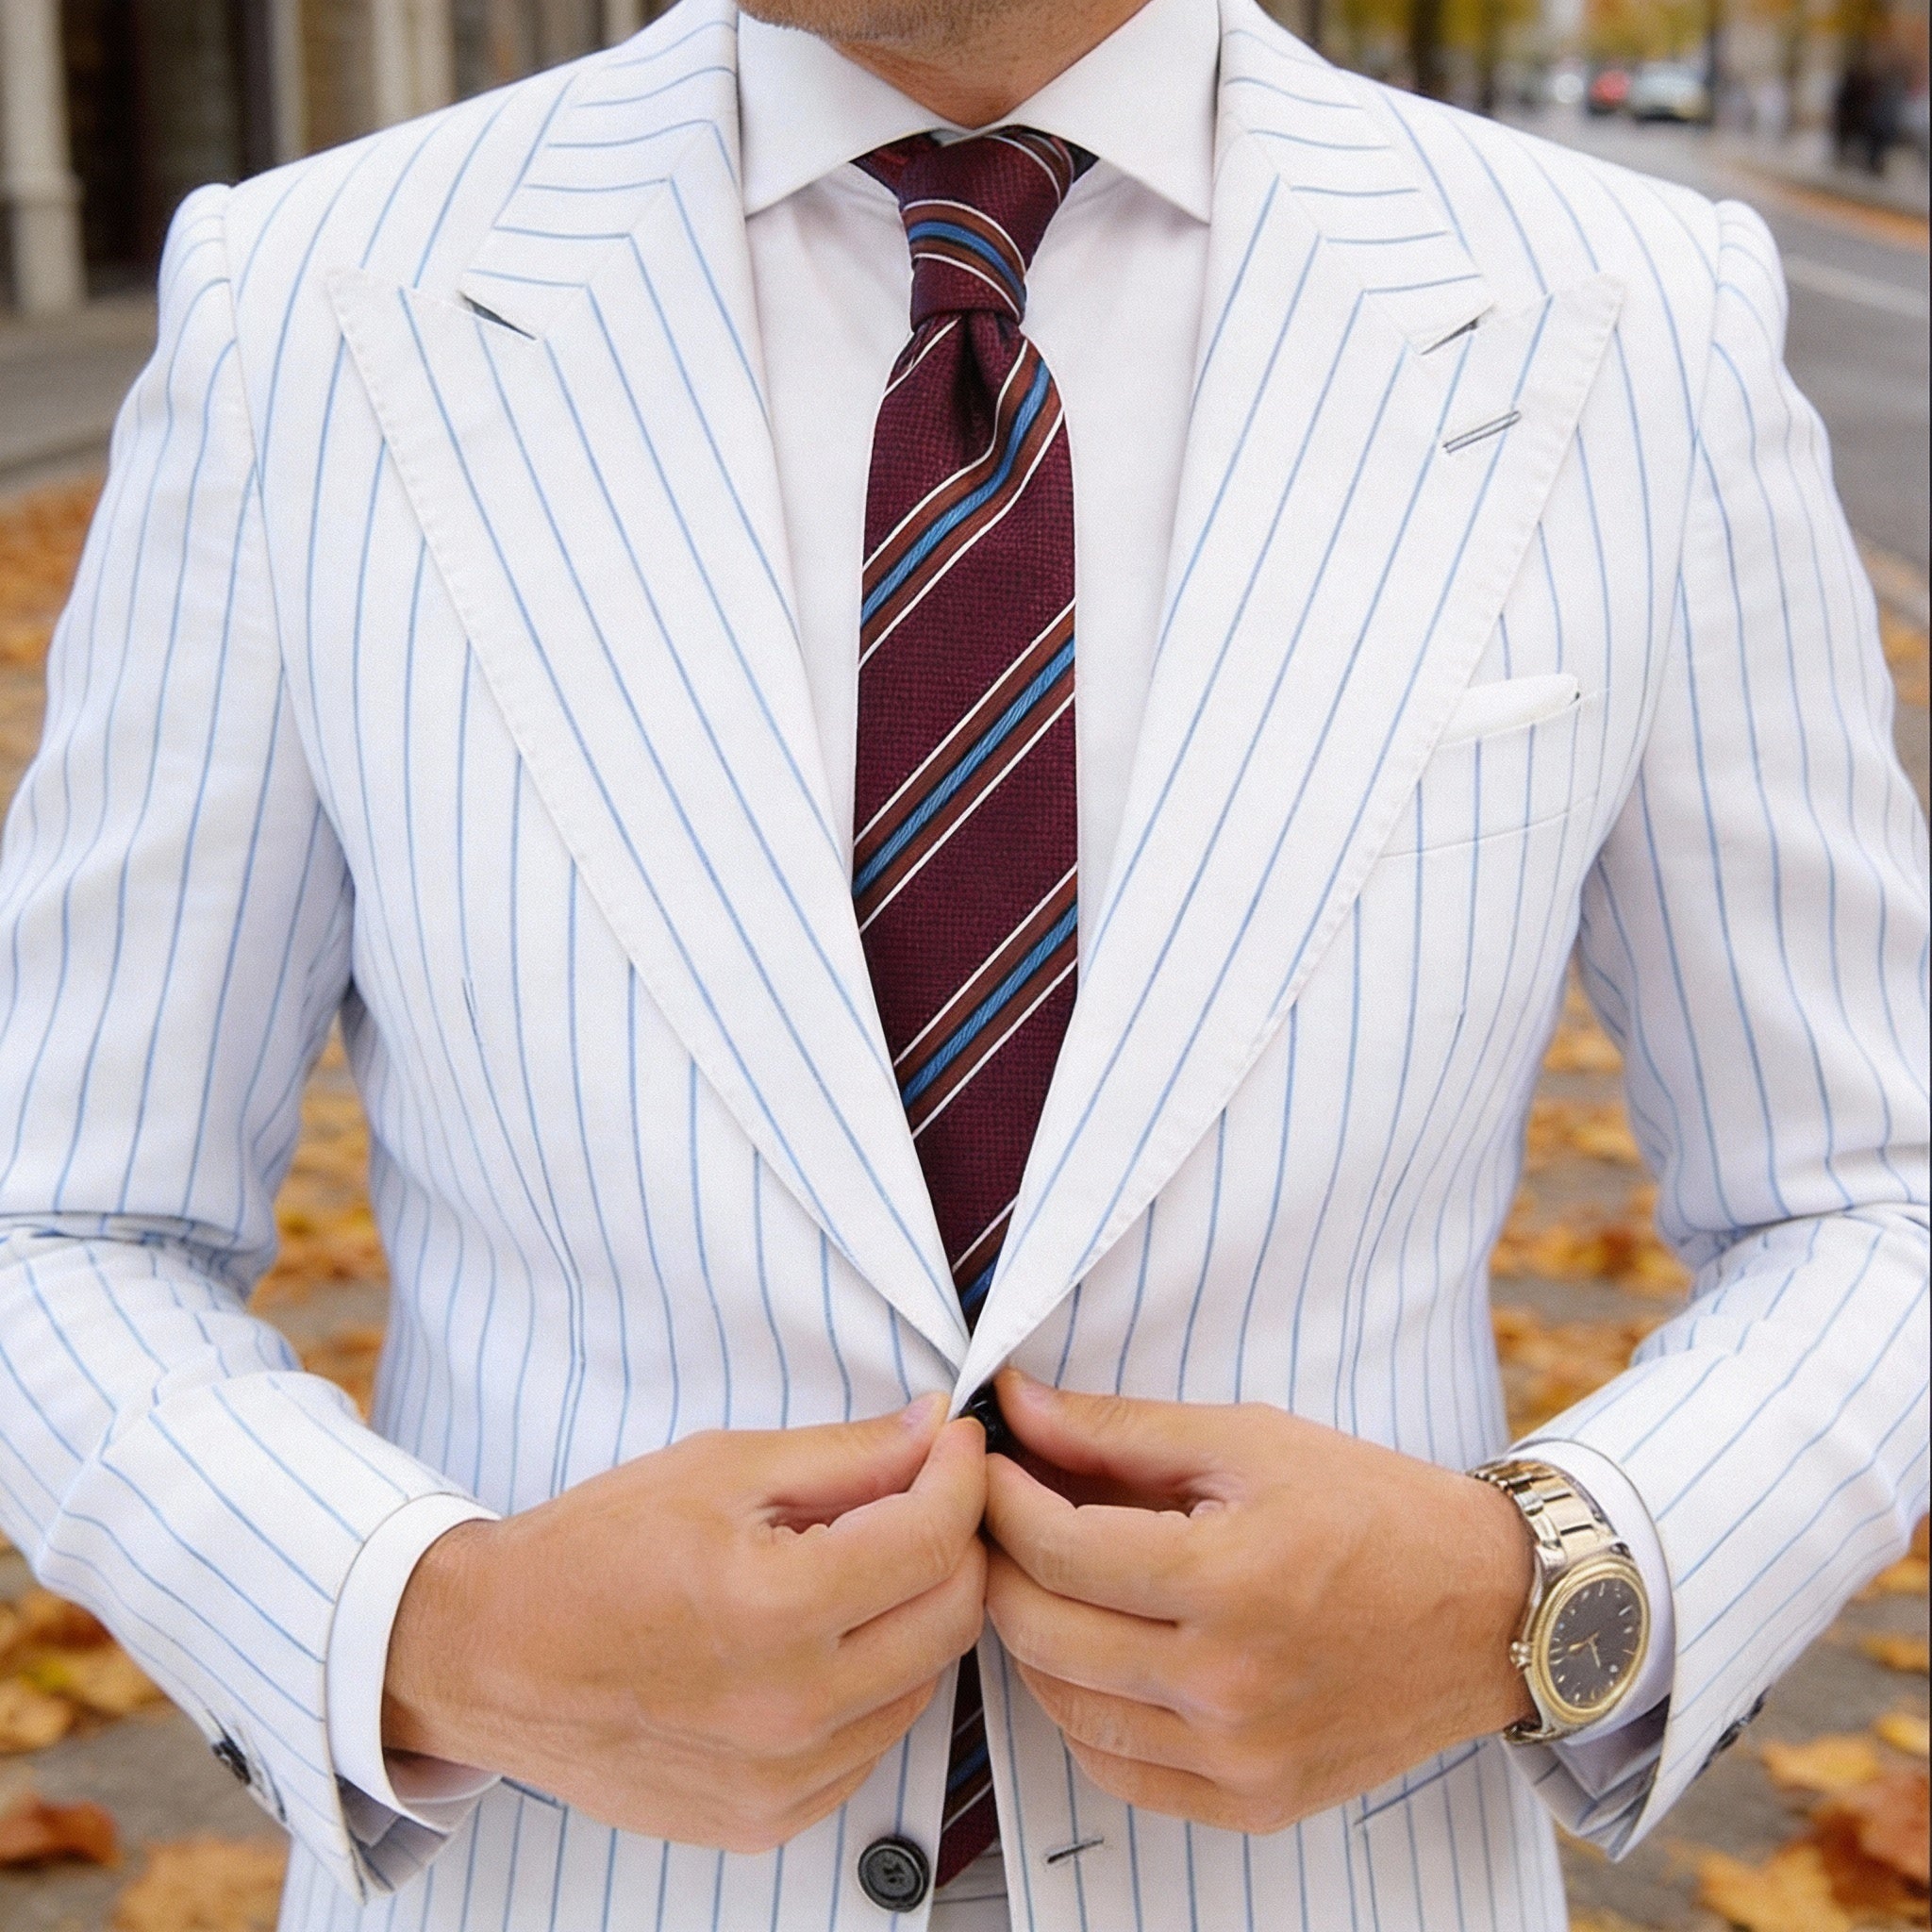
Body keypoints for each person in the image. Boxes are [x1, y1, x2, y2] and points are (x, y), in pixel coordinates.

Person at [0, 0, 1924, 1924]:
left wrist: (1545, 1596)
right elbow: (58, 1218)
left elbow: (1871, 1198)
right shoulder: (312, 307)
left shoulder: (1631, 316)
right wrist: (428, 1629)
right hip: (559, 1872)